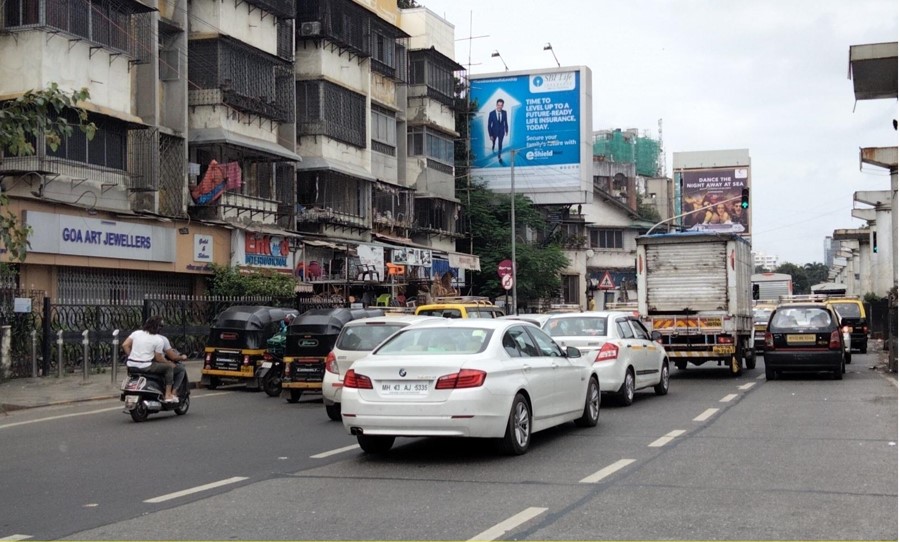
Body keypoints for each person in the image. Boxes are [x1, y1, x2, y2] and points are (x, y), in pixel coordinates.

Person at [122, 315, 178, 402]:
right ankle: (168, 394)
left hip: (131, 365)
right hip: (146, 366)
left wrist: (131, 356)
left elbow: (125, 345)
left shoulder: (136, 333)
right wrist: (168, 363)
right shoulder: (158, 340)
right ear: (158, 328)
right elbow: (158, 358)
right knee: (169, 368)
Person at [487, 98, 509, 165]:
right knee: (494, 142)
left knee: (500, 144)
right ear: (496, 105)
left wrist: (506, 130)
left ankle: (499, 157)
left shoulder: (504, 112)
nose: (499, 106)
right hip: (494, 131)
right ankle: (493, 147)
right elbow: (489, 125)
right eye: (498, 105)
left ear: (503, 106)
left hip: (501, 131)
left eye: (501, 105)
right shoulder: (492, 113)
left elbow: (506, 122)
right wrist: (490, 135)